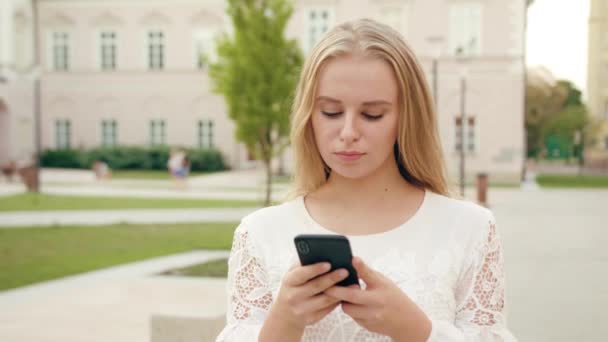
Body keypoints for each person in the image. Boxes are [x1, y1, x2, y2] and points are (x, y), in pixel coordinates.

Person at [216, 19, 517, 342]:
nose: (348, 133)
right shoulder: (260, 233)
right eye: (330, 112)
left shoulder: (469, 229)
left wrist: (418, 330)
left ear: (407, 117)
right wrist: (285, 323)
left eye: (372, 114)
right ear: (308, 116)